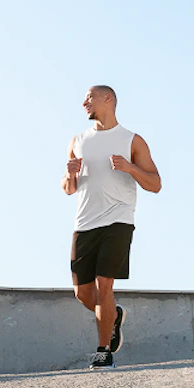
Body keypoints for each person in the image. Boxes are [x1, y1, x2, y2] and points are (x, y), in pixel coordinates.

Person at [62, 86, 162, 369]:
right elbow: (68, 188)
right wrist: (69, 175)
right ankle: (113, 316)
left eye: (89, 98)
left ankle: (103, 352)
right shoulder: (78, 140)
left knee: (103, 284)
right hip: (84, 222)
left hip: (118, 220)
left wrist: (130, 168)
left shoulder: (132, 140)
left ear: (108, 99)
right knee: (83, 293)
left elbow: (155, 184)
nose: (84, 103)